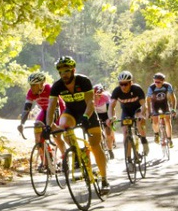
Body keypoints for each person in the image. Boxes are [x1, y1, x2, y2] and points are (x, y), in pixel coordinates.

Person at [45, 56, 109, 190]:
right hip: (71, 112)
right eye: (61, 72)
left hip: (88, 112)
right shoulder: (57, 86)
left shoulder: (83, 81)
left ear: (73, 70)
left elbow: (90, 103)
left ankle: (104, 180)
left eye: (67, 71)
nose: (64, 74)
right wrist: (48, 125)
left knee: (95, 146)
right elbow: (51, 106)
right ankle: (77, 153)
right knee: (63, 126)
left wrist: (86, 117)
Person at [17, 71, 66, 173]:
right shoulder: (30, 93)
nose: (32, 87)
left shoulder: (49, 89)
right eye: (31, 85)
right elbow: (26, 109)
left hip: (58, 110)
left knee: (56, 136)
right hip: (44, 111)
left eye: (34, 85)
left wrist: (51, 125)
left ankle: (65, 158)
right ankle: (46, 161)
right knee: (38, 135)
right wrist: (22, 123)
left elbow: (56, 108)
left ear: (41, 84)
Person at [108, 70, 149, 156]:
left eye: (125, 84)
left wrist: (142, 114)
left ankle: (144, 141)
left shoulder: (137, 89)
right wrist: (111, 117)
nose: (123, 86)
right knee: (125, 134)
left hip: (137, 109)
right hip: (126, 111)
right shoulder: (117, 91)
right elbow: (111, 106)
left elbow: (144, 105)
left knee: (139, 123)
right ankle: (129, 158)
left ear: (131, 83)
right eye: (121, 84)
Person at [148, 72, 177, 147]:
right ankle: (156, 134)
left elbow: (173, 98)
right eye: (155, 82)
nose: (156, 83)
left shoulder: (167, 86)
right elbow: (147, 100)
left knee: (168, 120)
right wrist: (149, 112)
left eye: (159, 82)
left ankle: (170, 139)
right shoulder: (151, 87)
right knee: (155, 121)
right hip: (155, 105)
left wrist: (173, 109)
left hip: (164, 104)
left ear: (163, 81)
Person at [93, 83, 116, 158]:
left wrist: (111, 118)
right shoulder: (91, 99)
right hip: (97, 114)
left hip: (106, 113)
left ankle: (110, 150)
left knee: (108, 132)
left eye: (99, 95)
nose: (97, 97)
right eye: (96, 95)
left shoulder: (106, 97)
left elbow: (111, 108)